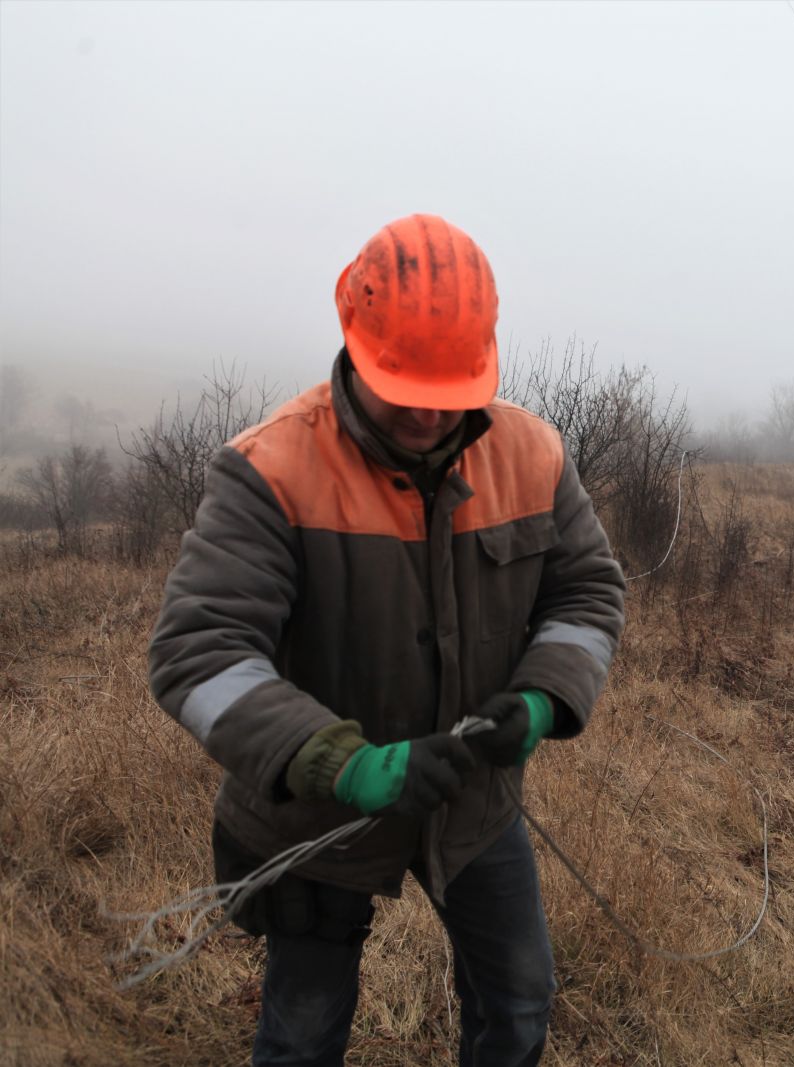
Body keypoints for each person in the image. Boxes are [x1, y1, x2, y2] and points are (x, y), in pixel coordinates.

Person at [148, 214, 625, 1066]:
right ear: (355, 343)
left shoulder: (534, 456)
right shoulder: (269, 471)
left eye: (446, 393)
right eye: (402, 386)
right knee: (301, 1032)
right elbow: (201, 652)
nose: (422, 415)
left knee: (519, 1005)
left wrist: (542, 700)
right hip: (314, 816)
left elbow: (586, 594)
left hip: (475, 805)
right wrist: (345, 763)